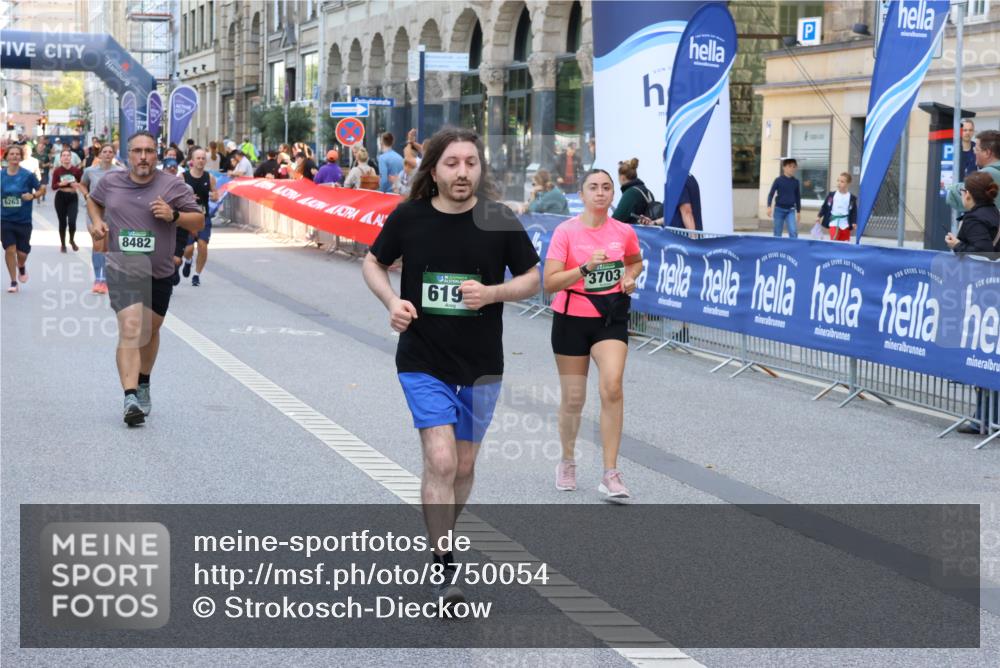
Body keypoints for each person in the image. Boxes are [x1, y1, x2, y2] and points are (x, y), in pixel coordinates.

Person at [362, 126, 540, 606]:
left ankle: (441, 534)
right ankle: (444, 564)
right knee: (440, 460)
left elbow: (532, 278)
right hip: (423, 358)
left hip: (482, 363)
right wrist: (391, 302)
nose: (463, 172)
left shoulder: (498, 220)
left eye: (471, 163)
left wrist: (493, 293)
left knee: (462, 466)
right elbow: (373, 262)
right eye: (452, 163)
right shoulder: (410, 217)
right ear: (434, 171)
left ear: (480, 169)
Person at [86, 131, 204, 426]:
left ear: (157, 154)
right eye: (137, 151)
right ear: (128, 154)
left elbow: (198, 219)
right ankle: (129, 398)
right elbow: (93, 201)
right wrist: (98, 222)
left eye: (149, 151)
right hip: (122, 268)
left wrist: (174, 215)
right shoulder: (111, 181)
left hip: (160, 271)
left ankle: (143, 382)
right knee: (131, 327)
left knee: (149, 331)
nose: (143, 156)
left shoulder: (173, 185)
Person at [542, 169, 642, 500]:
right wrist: (585, 268)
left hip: (610, 317)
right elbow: (550, 282)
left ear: (613, 194)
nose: (600, 193)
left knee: (612, 386)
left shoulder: (624, 232)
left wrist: (630, 278)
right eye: (593, 188)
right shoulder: (566, 232)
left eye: (606, 188)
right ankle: (567, 461)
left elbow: (635, 262)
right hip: (571, 317)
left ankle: (610, 473)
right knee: (574, 399)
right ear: (581, 194)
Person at [945, 170, 1000, 436]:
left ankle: (986, 419)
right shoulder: (992, 213)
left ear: (968, 195)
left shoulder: (977, 219)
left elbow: (985, 254)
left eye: (963, 192)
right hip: (988, 294)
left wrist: (957, 245)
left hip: (983, 296)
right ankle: (985, 417)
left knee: (983, 355)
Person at [77, 144, 124, 294]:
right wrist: (86, 196)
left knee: (107, 246)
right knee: (98, 243)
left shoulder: (120, 172)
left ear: (114, 155)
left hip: (111, 212)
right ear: (100, 154)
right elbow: (82, 185)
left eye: (111, 152)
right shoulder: (90, 171)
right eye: (105, 152)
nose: (108, 154)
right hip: (94, 211)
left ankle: (106, 276)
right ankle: (99, 279)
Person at [1, 145, 45, 293]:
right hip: (5, 219)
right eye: (11, 154)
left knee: (22, 253)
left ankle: (21, 266)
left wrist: (32, 196)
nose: (14, 156)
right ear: (6, 157)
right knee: (9, 249)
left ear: (21, 157)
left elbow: (41, 189)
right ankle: (13, 281)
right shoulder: (1, 175)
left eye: (17, 154)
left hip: (23, 220)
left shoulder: (27, 175)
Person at [180, 147, 220, 287]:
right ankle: (188, 260)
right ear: (192, 160)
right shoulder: (183, 177)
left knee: (203, 245)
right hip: (188, 216)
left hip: (203, 216)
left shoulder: (209, 177)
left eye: (203, 158)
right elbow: (176, 196)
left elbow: (216, 196)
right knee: (188, 249)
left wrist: (214, 196)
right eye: (198, 158)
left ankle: (197, 275)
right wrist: (188, 197)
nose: (201, 161)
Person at [947, 130, 1000, 212]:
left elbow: (955, 196)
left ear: (987, 153)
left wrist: (951, 187)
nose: (974, 152)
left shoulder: (986, 175)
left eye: (976, 149)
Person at [638, 174, 702, 231]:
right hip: (681, 239)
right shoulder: (687, 177)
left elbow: (687, 212)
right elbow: (674, 215)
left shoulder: (678, 179)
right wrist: (654, 223)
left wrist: (693, 241)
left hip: (681, 240)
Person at [50, 148, 84, 252]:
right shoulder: (57, 171)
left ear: (71, 157)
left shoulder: (76, 171)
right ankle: (63, 244)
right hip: (61, 197)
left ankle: (71, 240)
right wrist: (60, 184)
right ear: (60, 159)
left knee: (72, 221)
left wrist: (77, 185)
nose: (66, 157)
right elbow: (53, 187)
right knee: (62, 222)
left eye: (68, 155)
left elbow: (82, 184)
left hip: (72, 197)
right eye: (63, 156)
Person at [816, 172, 858, 242]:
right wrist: (819, 216)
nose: (839, 183)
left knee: (844, 244)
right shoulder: (832, 195)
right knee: (835, 242)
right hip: (834, 222)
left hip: (845, 223)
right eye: (838, 181)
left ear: (848, 183)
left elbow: (854, 211)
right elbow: (825, 207)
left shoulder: (851, 198)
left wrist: (854, 222)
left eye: (842, 181)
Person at [611, 158, 655, 224]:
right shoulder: (647, 192)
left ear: (622, 177)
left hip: (636, 233)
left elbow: (616, 219)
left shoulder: (631, 193)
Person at [767, 158, 802, 238]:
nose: (792, 169)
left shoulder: (796, 182)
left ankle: (793, 249)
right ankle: (777, 249)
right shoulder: (778, 180)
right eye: (790, 166)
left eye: (794, 167)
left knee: (793, 232)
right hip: (779, 210)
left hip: (791, 210)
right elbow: (771, 194)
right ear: (784, 167)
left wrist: (799, 211)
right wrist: (769, 206)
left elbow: (797, 197)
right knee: (777, 233)